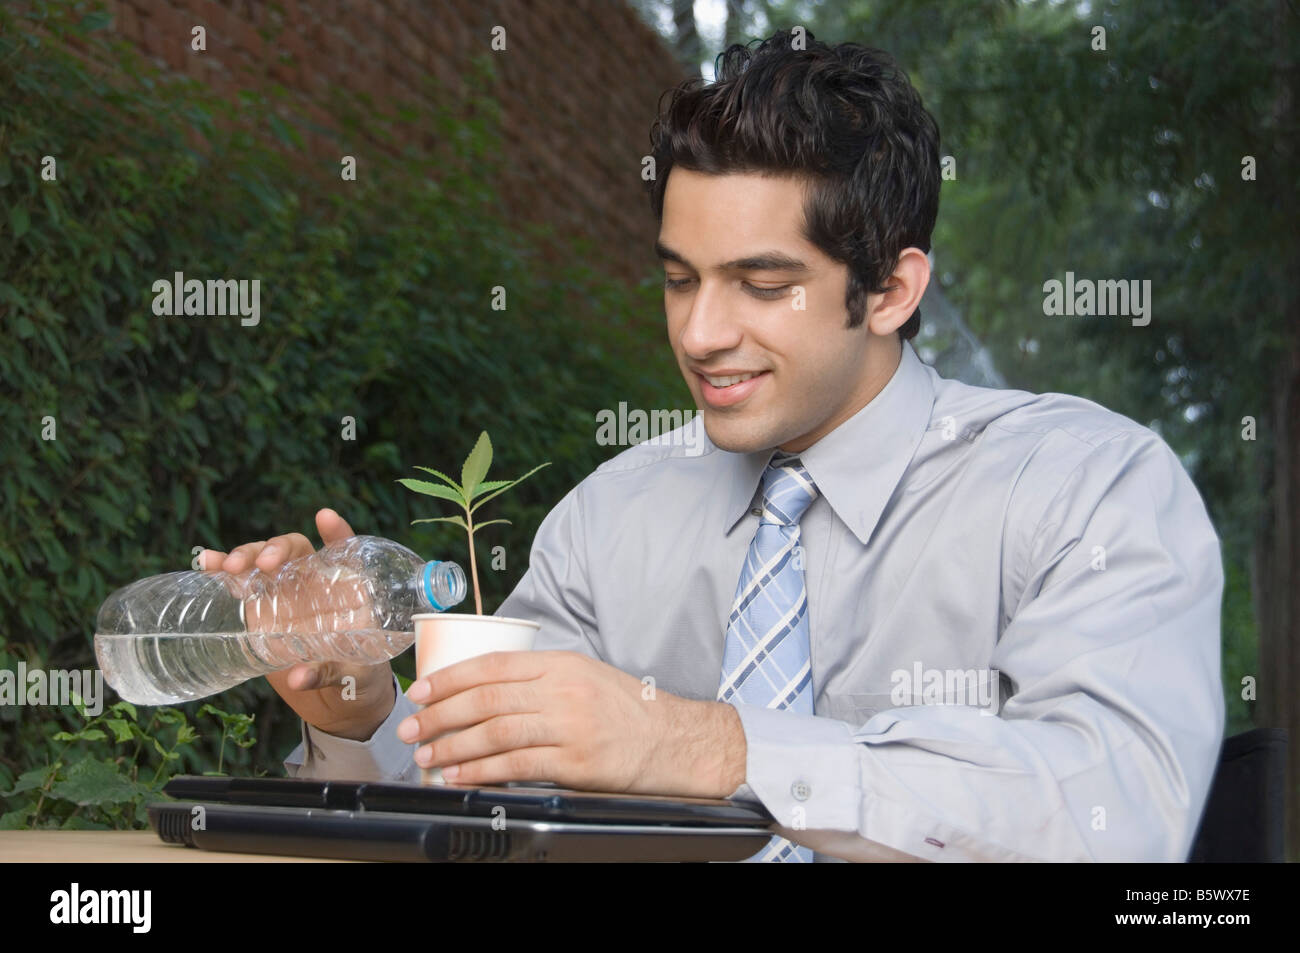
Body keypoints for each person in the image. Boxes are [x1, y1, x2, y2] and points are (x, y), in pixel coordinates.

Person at [200, 30, 1224, 862]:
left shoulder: (1086, 488)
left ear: (893, 290)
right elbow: (475, 807)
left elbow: (1117, 811)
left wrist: (704, 743)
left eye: (763, 284)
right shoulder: (609, 519)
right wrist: (358, 711)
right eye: (681, 277)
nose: (698, 333)